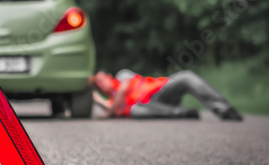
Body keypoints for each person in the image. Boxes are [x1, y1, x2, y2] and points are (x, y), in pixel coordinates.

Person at [88, 69, 243, 121]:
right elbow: (114, 110)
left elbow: (122, 92)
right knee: (135, 110)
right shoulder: (112, 100)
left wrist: (109, 112)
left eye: (101, 80)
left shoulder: (122, 75)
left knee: (186, 76)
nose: (101, 84)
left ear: (109, 76)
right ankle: (184, 113)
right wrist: (95, 98)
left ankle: (225, 110)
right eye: (98, 84)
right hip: (150, 108)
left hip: (160, 92)